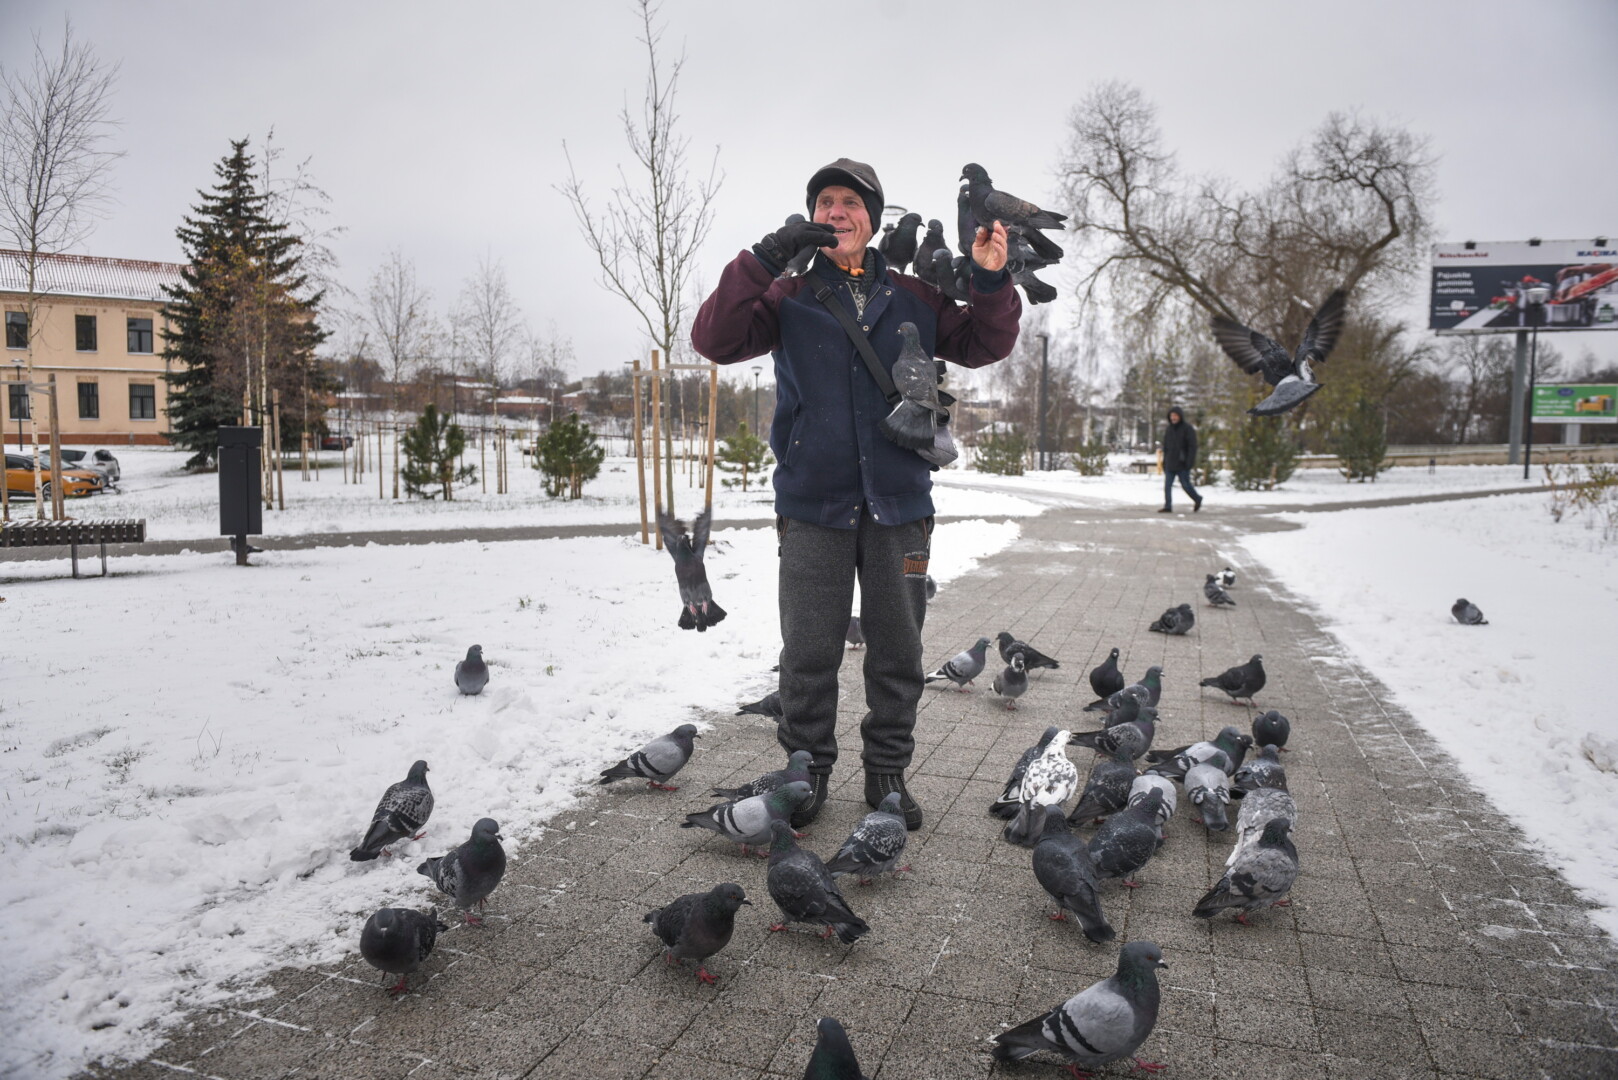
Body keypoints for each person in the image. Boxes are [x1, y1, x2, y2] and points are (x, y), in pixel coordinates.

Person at [690, 158, 1021, 830]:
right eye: (824, 203)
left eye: (850, 203)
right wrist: (764, 257)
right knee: (808, 653)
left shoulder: (915, 297)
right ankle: (805, 773)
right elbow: (713, 339)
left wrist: (991, 278)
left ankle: (887, 773)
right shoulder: (787, 297)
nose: (835, 212)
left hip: (900, 507)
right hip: (813, 506)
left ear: (872, 219)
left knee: (898, 653)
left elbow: (986, 342)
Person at [1159, 406, 1202, 513]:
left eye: (1175, 415)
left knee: (1186, 485)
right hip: (1170, 463)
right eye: (1171, 416)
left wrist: (1189, 461)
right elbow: (1166, 447)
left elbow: (1192, 446)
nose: (1173, 418)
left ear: (1180, 416)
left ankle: (1197, 498)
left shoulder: (1187, 428)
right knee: (1167, 486)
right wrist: (1164, 461)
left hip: (1182, 463)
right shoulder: (1169, 429)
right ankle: (1168, 506)